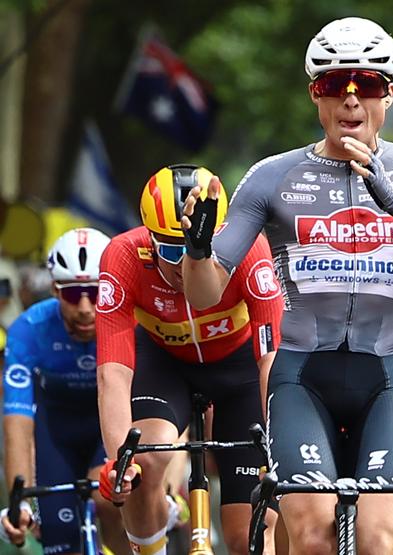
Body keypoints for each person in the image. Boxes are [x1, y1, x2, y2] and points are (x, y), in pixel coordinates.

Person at [178, 16, 393, 554]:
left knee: (377, 539)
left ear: (388, 95)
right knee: (312, 537)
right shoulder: (271, 176)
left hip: (388, 373)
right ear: (314, 95)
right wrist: (197, 248)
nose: (351, 100)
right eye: (334, 85)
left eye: (367, 85)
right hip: (302, 373)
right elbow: (203, 295)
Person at [96, 165, 284, 555]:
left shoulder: (249, 249)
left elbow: (270, 358)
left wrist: (281, 445)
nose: (183, 264)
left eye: (194, 248)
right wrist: (120, 463)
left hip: (239, 372)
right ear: (149, 239)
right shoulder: (123, 255)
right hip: (165, 365)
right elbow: (112, 372)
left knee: (246, 535)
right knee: (144, 461)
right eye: (169, 249)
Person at [0, 228, 129, 555]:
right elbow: (18, 424)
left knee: (111, 502)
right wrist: (22, 503)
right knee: (59, 536)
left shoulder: (131, 321)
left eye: (95, 291)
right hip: (56, 433)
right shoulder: (28, 330)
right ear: (56, 289)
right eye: (73, 294)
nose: (86, 307)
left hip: (109, 426)